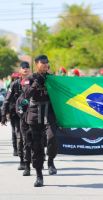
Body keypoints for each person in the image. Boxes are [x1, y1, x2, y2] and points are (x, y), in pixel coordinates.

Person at [23, 55, 58, 187]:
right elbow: (26, 96)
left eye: (46, 63)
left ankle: (50, 161)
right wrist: (36, 84)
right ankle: (39, 175)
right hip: (35, 112)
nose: (45, 64)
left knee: (52, 138)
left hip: (49, 111)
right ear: (36, 64)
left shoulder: (52, 78)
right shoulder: (30, 79)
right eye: (42, 63)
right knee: (36, 145)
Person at [1, 70, 24, 169]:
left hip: (24, 112)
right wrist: (4, 114)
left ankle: (24, 154)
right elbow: (6, 100)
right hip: (13, 112)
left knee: (22, 133)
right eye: (13, 78)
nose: (15, 79)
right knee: (16, 132)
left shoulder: (26, 84)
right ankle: (17, 150)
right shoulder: (12, 86)